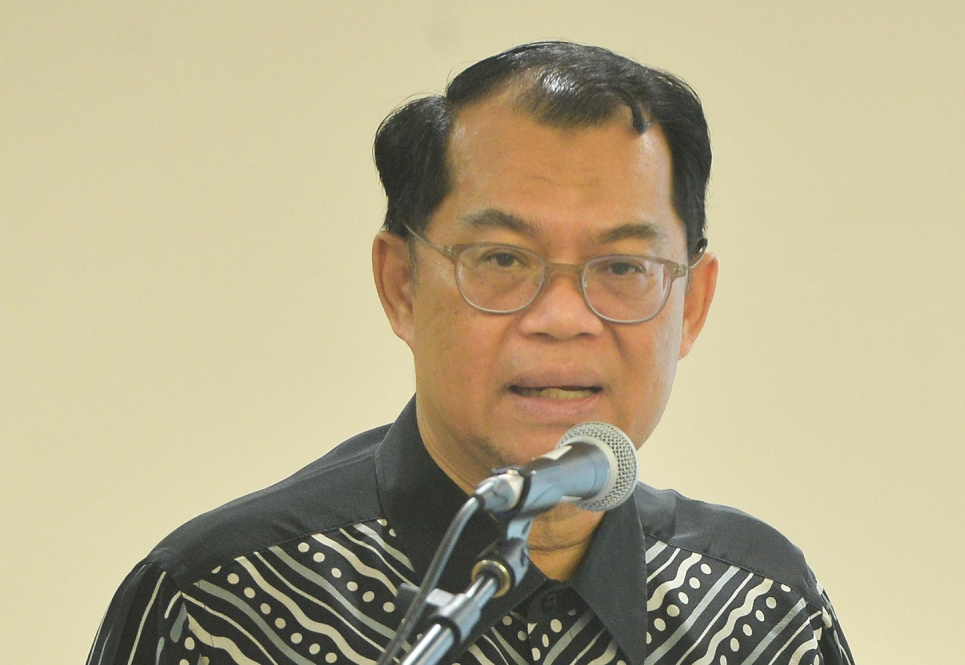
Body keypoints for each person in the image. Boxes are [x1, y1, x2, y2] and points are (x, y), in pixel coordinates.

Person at [87, 41, 854, 665]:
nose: (562, 318)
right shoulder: (221, 607)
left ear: (692, 303)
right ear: (401, 285)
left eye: (622, 268)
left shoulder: (764, 617)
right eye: (501, 259)